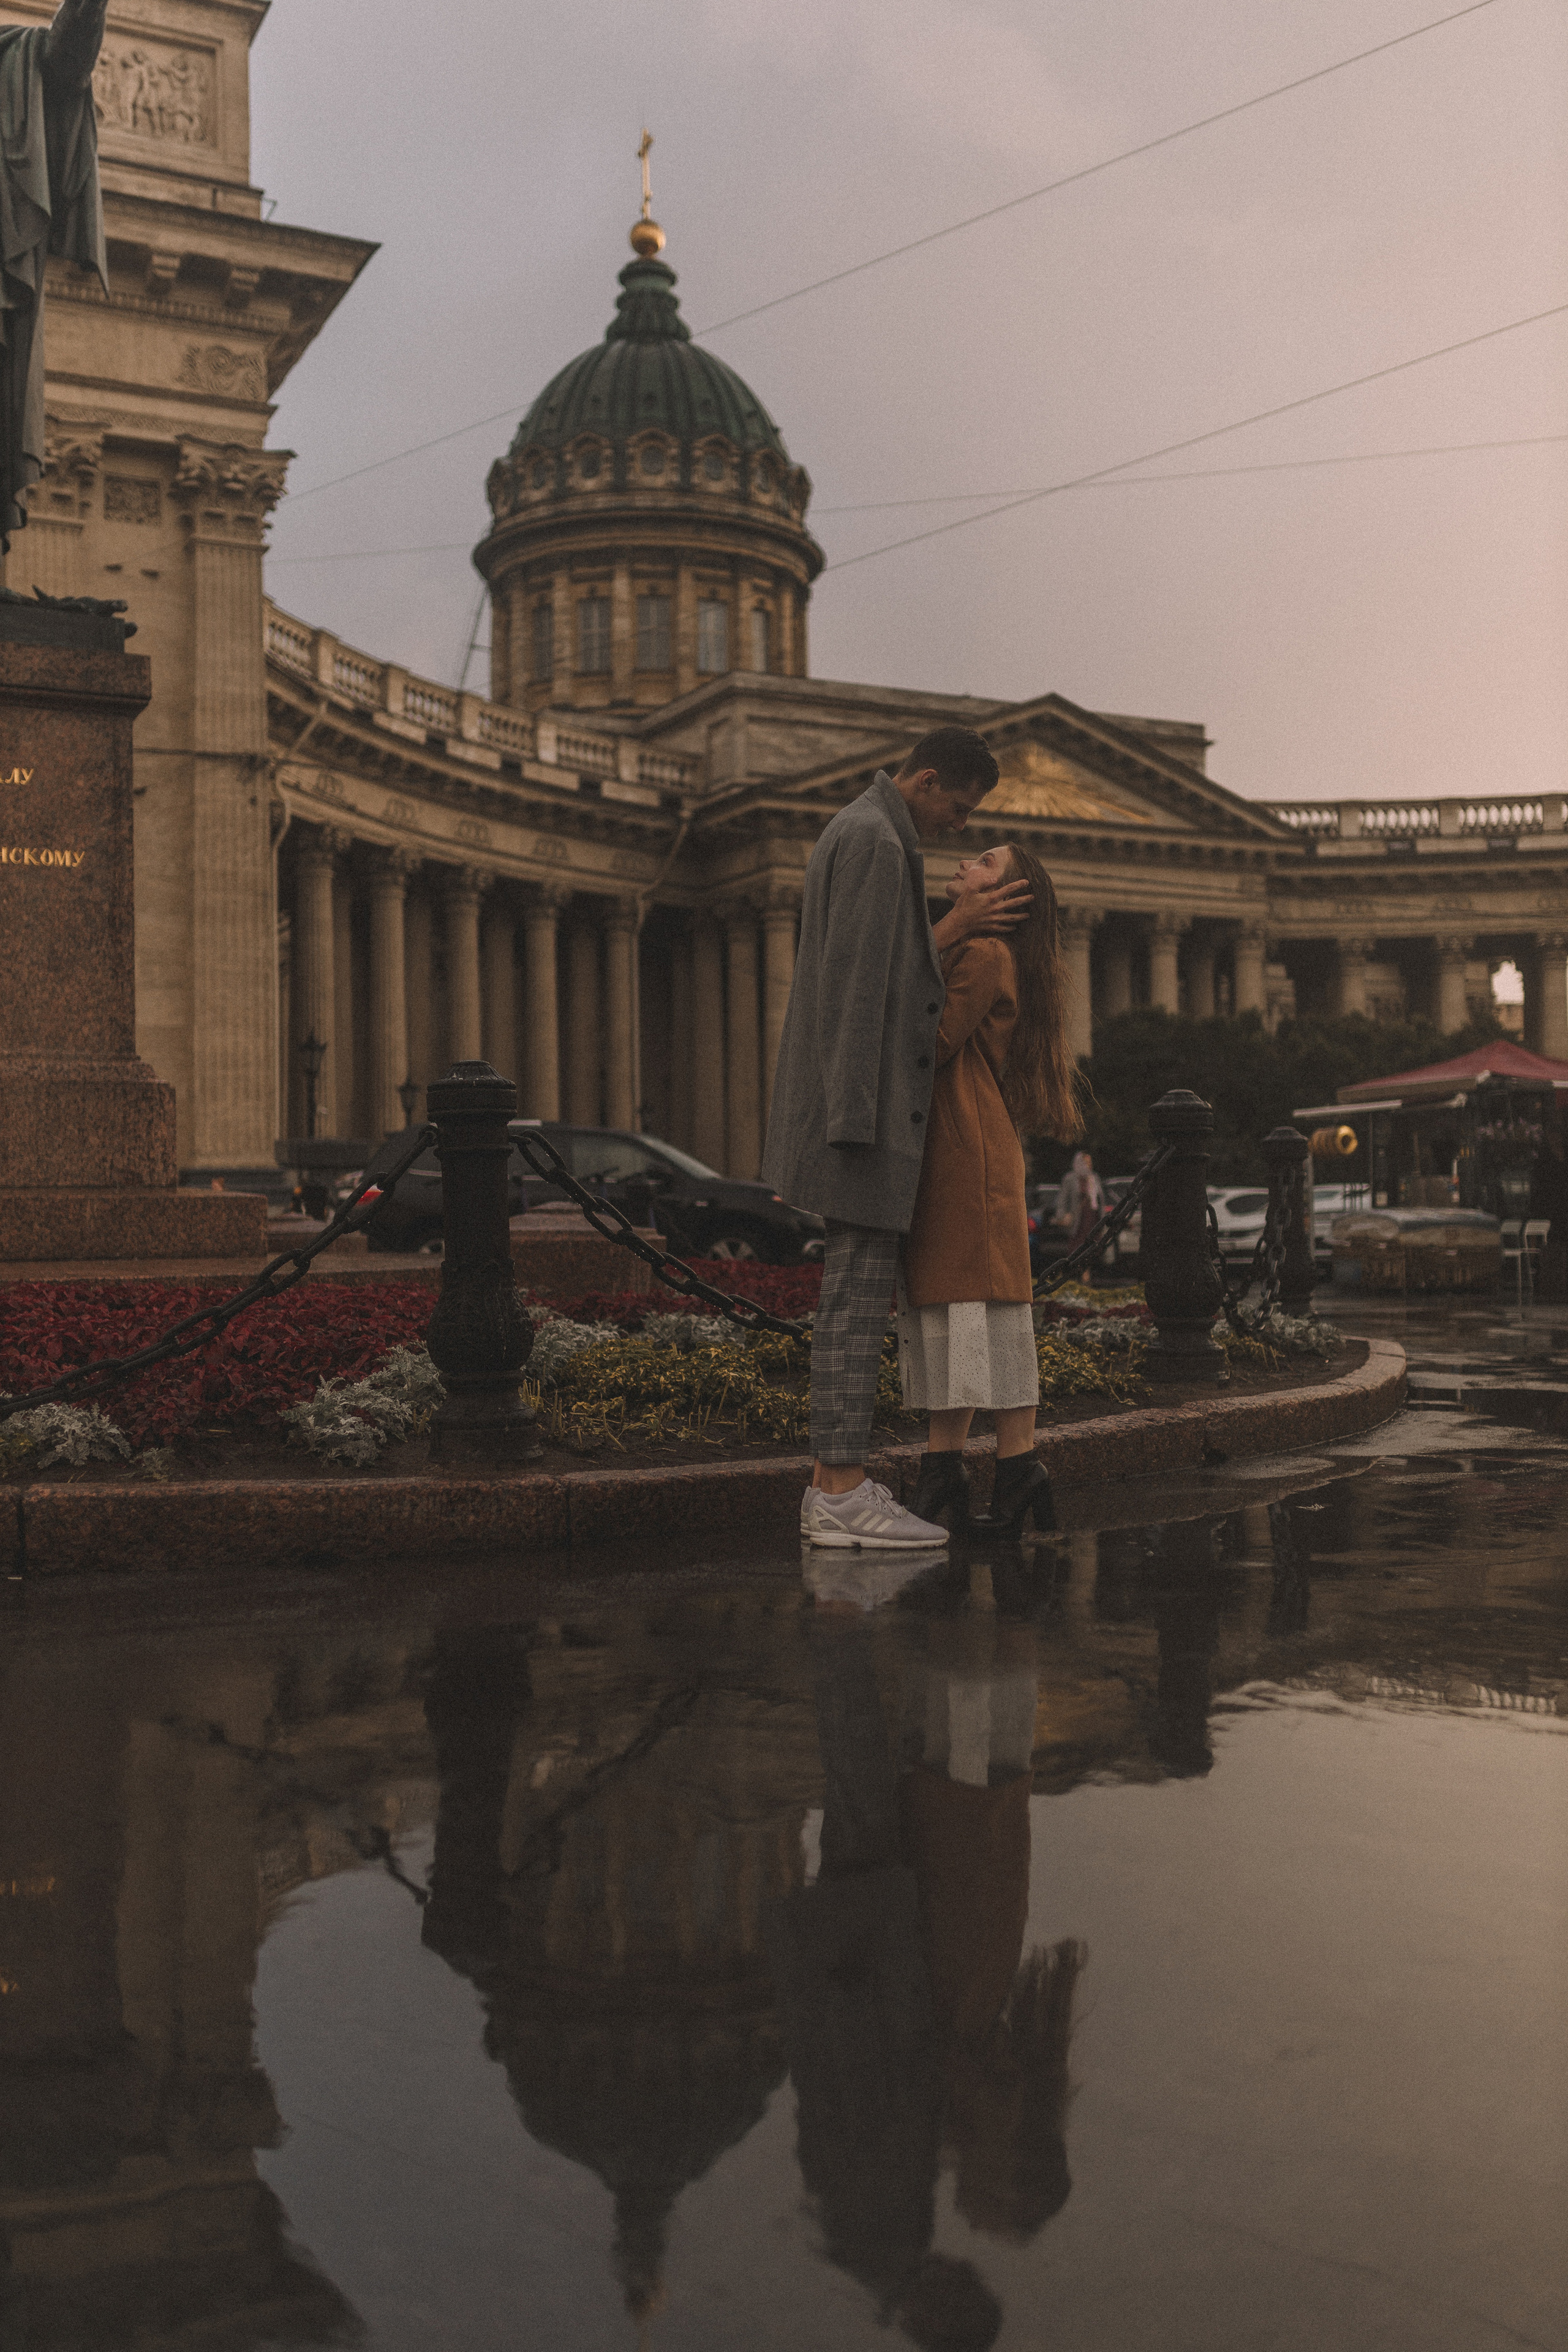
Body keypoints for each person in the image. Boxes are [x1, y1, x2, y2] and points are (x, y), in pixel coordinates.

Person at [764, 727, 1029, 1550]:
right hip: (865, 1122)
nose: (957, 826)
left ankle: (831, 1484)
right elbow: (870, 988)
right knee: (852, 1309)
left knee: (851, 1304)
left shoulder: (858, 828)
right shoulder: (883, 844)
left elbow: (864, 966)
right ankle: (841, 1493)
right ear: (923, 779)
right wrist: (854, 1126)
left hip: (851, 1115)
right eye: (958, 806)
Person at [897, 842, 1084, 1537]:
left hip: (962, 1151)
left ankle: (963, 1470)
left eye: (982, 863)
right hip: (965, 1147)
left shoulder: (981, 955)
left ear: (1006, 895)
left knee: (967, 1310)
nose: (963, 865)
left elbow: (928, 1040)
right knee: (973, 1314)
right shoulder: (987, 954)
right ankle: (1007, 1469)